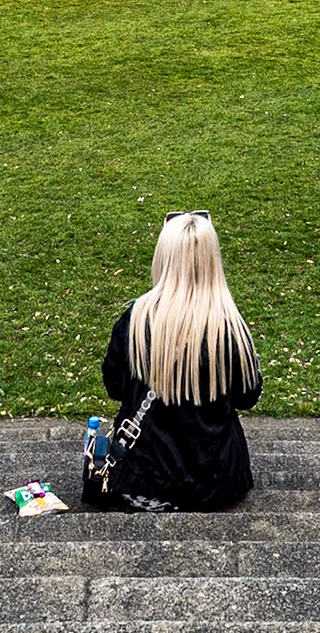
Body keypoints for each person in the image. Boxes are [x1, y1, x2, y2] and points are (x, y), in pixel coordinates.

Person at [93, 211, 262, 512]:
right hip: (217, 485)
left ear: (163, 257)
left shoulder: (136, 319)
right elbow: (247, 397)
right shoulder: (229, 326)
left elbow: (114, 387)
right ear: (212, 260)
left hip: (142, 482)